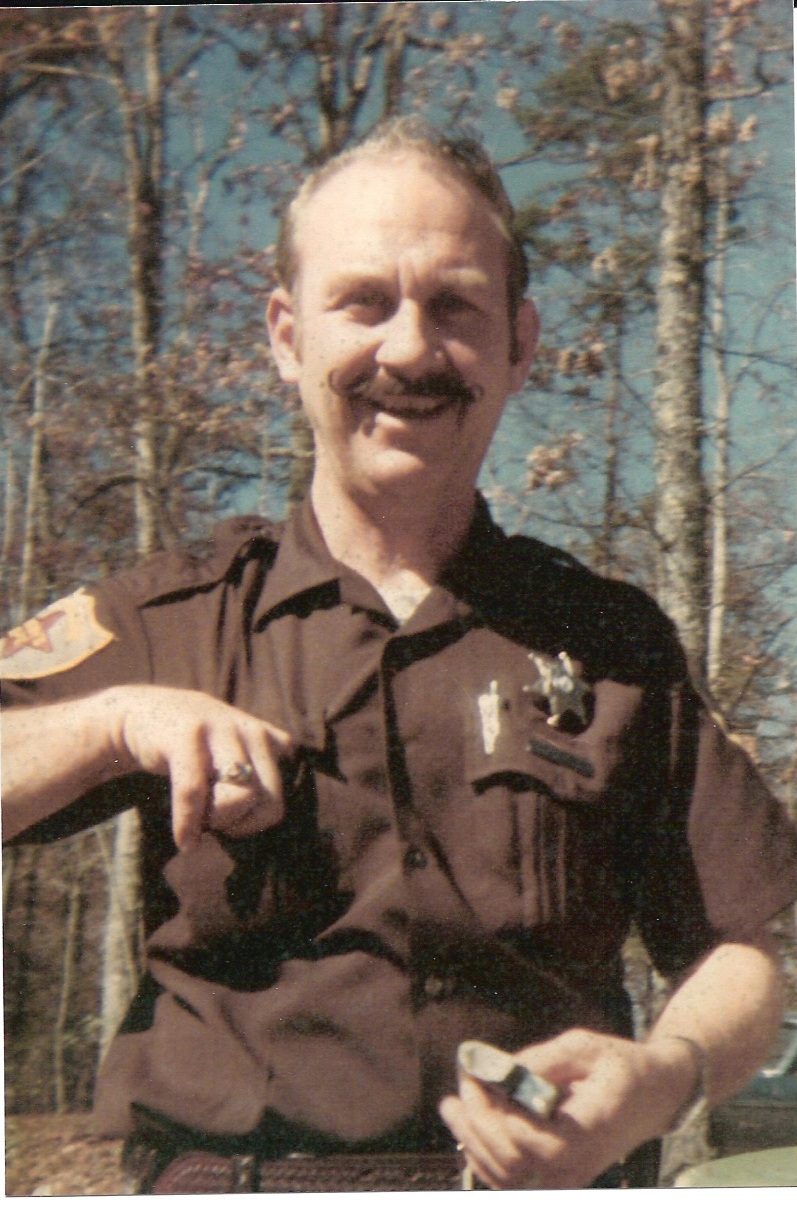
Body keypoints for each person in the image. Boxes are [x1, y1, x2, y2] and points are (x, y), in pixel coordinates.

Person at [2, 118, 795, 1193]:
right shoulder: (170, 617)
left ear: (518, 344)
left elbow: (741, 944)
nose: (410, 350)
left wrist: (660, 1074)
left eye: (454, 305)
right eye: (362, 301)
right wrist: (109, 723)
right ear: (286, 336)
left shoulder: (612, 644)